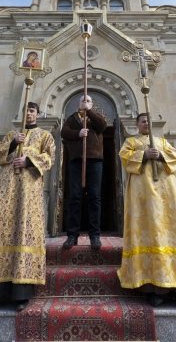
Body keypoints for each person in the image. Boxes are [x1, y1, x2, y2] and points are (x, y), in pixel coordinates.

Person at [0, 102, 55, 312]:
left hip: (28, 190)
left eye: (32, 111)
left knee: (24, 233)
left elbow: (49, 158)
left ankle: (20, 293)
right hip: (6, 189)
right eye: (26, 110)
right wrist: (14, 143)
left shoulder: (44, 135)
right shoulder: (12, 134)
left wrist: (29, 161)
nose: (29, 114)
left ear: (38, 114)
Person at [117, 113, 176, 308]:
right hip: (143, 196)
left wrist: (162, 155)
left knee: (174, 232)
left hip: (167, 195)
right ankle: (153, 287)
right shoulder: (131, 141)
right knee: (149, 233)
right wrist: (143, 155)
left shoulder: (163, 142)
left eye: (148, 120)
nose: (146, 123)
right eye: (142, 121)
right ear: (137, 124)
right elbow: (124, 158)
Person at [61, 95, 107, 250]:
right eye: (83, 101)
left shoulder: (96, 116)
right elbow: (64, 132)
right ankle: (72, 235)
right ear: (78, 104)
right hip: (76, 160)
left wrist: (90, 112)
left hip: (94, 160)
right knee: (75, 197)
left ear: (92, 103)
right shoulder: (72, 118)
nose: (85, 103)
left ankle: (95, 235)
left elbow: (102, 126)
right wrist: (78, 134)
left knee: (94, 197)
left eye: (88, 100)